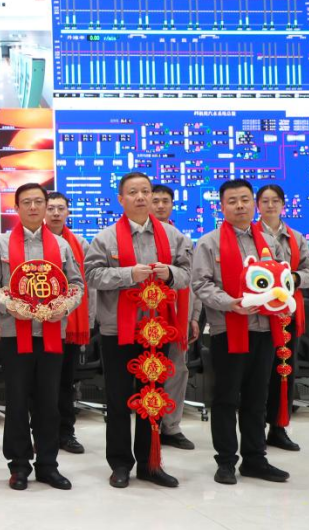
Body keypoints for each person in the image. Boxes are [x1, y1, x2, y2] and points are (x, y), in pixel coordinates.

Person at [84, 172, 192, 489]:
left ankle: (150, 463)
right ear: (121, 199)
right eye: (133, 192)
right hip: (118, 330)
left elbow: (187, 274)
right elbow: (92, 276)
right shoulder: (105, 238)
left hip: (158, 332)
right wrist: (129, 274)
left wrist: (169, 273)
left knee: (152, 398)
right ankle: (120, 464)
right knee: (118, 400)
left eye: (146, 191)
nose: (141, 197)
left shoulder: (172, 236)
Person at [0, 184, 82, 490]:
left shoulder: (61, 245)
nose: (33, 207)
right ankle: (19, 465)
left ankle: (48, 465)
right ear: (16, 208)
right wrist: (10, 305)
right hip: (15, 334)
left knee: (48, 402)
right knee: (16, 401)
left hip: (52, 332)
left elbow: (76, 284)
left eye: (39, 201)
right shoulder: (0, 245)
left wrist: (64, 306)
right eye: (26, 202)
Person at [192, 179, 291, 485]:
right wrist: (230, 303)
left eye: (245, 200)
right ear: (222, 207)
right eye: (232, 201)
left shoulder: (269, 242)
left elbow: (280, 278)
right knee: (225, 398)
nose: (240, 206)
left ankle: (255, 459)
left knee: (257, 397)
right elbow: (201, 284)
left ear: (253, 204)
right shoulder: (209, 242)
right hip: (228, 330)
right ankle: (225, 461)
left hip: (264, 329)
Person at [255, 184, 309, 453]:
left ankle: (278, 428)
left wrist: (291, 278)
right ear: (258, 205)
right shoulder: (250, 235)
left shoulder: (296, 237)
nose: (270, 206)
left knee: (283, 372)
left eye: (275, 201)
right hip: (257, 316)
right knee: (258, 374)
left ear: (283, 204)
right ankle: (255, 430)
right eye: (265, 201)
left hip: (287, 315)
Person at [149, 184, 198, 451]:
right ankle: (147, 426)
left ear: (172, 205)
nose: (159, 205)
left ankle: (171, 426)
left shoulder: (181, 240)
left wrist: (194, 317)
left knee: (177, 370)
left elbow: (193, 281)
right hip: (143, 318)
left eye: (165, 201)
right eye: (155, 200)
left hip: (176, 317)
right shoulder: (131, 238)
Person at [44, 192, 90, 455]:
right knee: (40, 385)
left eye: (61, 208)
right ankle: (41, 433)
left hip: (70, 323)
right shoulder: (33, 243)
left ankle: (66, 433)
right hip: (39, 323)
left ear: (68, 212)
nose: (55, 213)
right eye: (51, 208)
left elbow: (84, 285)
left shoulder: (80, 243)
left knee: (65, 382)